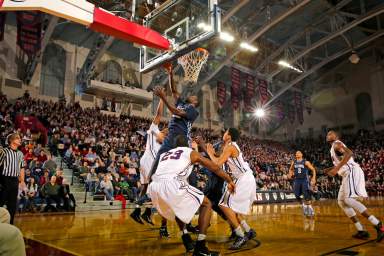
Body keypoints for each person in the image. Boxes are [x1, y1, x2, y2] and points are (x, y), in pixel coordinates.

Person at [148, 135, 235, 256]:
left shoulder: (165, 154)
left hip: (154, 186)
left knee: (177, 209)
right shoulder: (190, 152)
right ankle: (200, 247)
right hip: (171, 184)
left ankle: (187, 241)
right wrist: (229, 179)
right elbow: (215, 167)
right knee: (206, 204)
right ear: (187, 144)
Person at [326, 130, 383, 242]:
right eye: (327, 134)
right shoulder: (332, 148)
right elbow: (342, 162)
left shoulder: (337, 143)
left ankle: (379, 225)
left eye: (330, 133)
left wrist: (336, 169)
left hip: (352, 172)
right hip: (346, 174)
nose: (328, 135)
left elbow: (349, 153)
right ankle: (361, 230)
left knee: (348, 199)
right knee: (341, 201)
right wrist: (330, 169)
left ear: (336, 136)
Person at [206, 128, 257, 250]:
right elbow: (220, 157)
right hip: (243, 177)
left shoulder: (230, 147)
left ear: (228, 136)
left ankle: (240, 235)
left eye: (225, 132)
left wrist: (209, 152)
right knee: (232, 208)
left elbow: (217, 164)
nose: (223, 134)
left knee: (224, 205)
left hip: (243, 178)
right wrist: (213, 153)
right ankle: (248, 231)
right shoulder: (230, 146)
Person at [149, 63, 199, 182]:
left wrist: (163, 97)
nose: (191, 95)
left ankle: (194, 187)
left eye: (194, 97)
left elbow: (175, 111)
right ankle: (146, 189)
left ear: (195, 102)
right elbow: (174, 90)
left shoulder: (193, 110)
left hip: (182, 138)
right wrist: (170, 73)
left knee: (187, 163)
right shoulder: (182, 102)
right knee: (158, 159)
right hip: (171, 136)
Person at [130, 98, 168, 229]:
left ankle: (137, 211)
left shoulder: (164, 145)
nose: (165, 139)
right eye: (165, 136)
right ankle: (144, 210)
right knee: (155, 189)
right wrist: (162, 99)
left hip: (147, 162)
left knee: (146, 187)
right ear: (162, 132)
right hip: (148, 162)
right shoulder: (154, 129)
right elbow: (158, 114)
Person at [0, 133, 24, 224]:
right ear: (12, 140)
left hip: (15, 180)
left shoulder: (20, 154)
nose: (20, 139)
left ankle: (10, 223)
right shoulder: (4, 151)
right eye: (17, 138)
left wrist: (22, 181)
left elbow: (21, 168)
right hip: (4, 179)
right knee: (1, 202)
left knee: (12, 204)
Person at [288, 151, 316, 216]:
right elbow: (291, 169)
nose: (297, 153)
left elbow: (313, 169)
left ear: (302, 154)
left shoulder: (306, 162)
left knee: (306, 196)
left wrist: (313, 178)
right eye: (296, 153)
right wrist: (290, 174)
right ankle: (304, 205)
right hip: (297, 180)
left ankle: (310, 208)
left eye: (299, 153)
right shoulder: (293, 162)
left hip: (304, 180)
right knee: (296, 195)